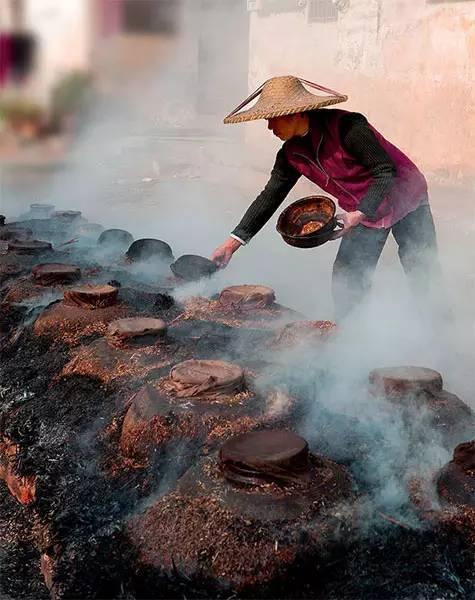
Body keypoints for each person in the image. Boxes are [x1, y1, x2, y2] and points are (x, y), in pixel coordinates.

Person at [210, 76, 442, 319]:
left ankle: (439, 334)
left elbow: (384, 171)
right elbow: (270, 196)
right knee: (348, 277)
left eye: (272, 119)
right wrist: (231, 244)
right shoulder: (291, 153)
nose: (269, 127)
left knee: (422, 268)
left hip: (405, 195)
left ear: (296, 113)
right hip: (362, 210)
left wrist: (358, 214)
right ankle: (353, 335)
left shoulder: (349, 128)